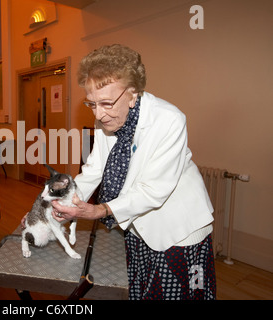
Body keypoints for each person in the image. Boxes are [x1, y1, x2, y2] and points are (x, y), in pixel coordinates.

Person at [51, 44, 216, 300]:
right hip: (138, 226)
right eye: (91, 104)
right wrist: (63, 203)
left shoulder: (169, 120)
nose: (99, 114)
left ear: (132, 93)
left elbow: (153, 192)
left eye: (106, 103)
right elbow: (94, 170)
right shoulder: (107, 119)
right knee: (141, 294)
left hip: (178, 231)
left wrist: (100, 210)